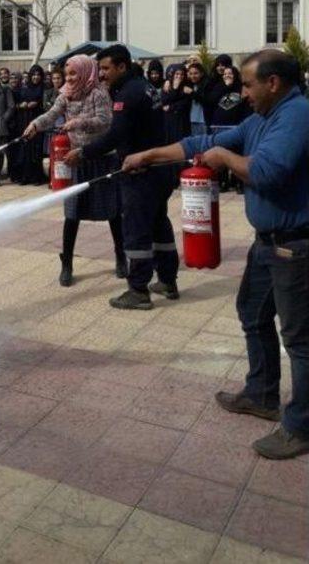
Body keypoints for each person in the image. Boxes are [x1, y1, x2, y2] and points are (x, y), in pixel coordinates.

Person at [123, 49, 309, 460]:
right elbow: (204, 142)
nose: (243, 93)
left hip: (294, 245)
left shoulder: (296, 116)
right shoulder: (262, 118)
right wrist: (150, 156)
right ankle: (261, 394)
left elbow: (266, 172)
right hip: (268, 241)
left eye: (248, 84)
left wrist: (224, 159)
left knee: (299, 337)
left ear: (273, 83)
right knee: (253, 314)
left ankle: (301, 426)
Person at [65, 44, 179, 310]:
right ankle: (167, 281)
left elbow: (115, 136)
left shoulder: (127, 94)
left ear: (122, 66)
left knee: (137, 229)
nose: (102, 74)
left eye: (106, 68)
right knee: (159, 224)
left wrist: (83, 152)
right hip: (160, 168)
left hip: (141, 172)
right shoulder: (145, 87)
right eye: (100, 69)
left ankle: (138, 290)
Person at [24, 55, 125, 285]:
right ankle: (67, 263)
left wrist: (78, 122)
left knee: (113, 212)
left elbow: (105, 121)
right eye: (67, 73)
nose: (69, 78)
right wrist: (35, 125)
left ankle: (121, 258)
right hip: (77, 159)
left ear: (85, 72)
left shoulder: (98, 92)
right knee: (72, 213)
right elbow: (51, 115)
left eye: (73, 74)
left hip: (102, 157)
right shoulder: (66, 93)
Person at [17, 65, 46, 185]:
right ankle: (25, 177)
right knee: (26, 150)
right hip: (25, 121)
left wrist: (37, 104)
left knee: (37, 150)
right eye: (34, 74)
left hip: (39, 123)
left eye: (38, 75)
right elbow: (17, 104)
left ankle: (37, 177)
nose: (36, 77)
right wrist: (21, 105)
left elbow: (46, 105)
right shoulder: (24, 88)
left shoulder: (44, 88)